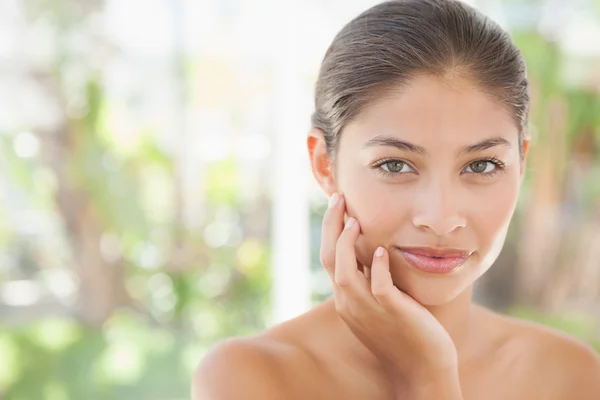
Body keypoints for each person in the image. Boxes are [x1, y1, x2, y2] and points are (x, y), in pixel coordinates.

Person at [193, 0, 600, 398]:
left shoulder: (569, 374)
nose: (441, 219)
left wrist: (429, 377)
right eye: (394, 165)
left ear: (521, 162)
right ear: (324, 165)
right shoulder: (249, 378)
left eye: (480, 166)